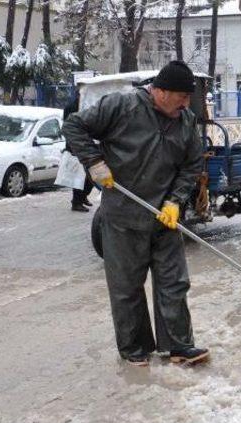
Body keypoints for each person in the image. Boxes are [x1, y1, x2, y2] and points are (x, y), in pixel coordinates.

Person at [62, 60, 208, 367]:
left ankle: (178, 345)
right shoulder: (122, 106)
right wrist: (94, 161)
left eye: (188, 98)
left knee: (174, 283)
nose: (185, 103)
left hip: (164, 217)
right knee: (127, 286)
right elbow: (74, 125)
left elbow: (192, 164)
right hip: (123, 215)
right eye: (181, 96)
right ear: (160, 91)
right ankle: (135, 348)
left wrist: (176, 201)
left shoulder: (185, 120)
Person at [63, 91, 94, 213]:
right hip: (75, 146)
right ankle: (76, 202)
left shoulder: (86, 105)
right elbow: (69, 127)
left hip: (85, 143)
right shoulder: (72, 107)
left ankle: (83, 196)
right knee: (79, 176)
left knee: (90, 176)